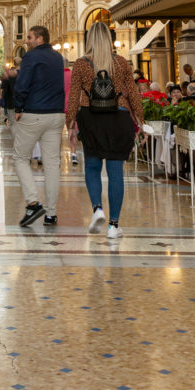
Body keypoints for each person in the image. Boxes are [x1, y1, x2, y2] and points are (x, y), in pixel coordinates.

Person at [67, 21, 144, 239]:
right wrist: (140, 119)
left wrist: (70, 125)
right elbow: (134, 94)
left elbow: (74, 96)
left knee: (92, 166)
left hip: (90, 118)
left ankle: (97, 209)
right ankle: (113, 226)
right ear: (109, 39)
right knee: (115, 170)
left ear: (89, 39)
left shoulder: (81, 64)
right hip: (118, 117)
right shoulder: (120, 62)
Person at [12, 26, 65, 227]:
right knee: (52, 164)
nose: (26, 41)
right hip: (56, 114)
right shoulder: (58, 58)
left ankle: (33, 202)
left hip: (34, 113)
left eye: (29, 37)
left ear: (40, 38)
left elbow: (22, 85)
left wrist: (18, 106)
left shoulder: (31, 57)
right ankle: (51, 214)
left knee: (20, 157)